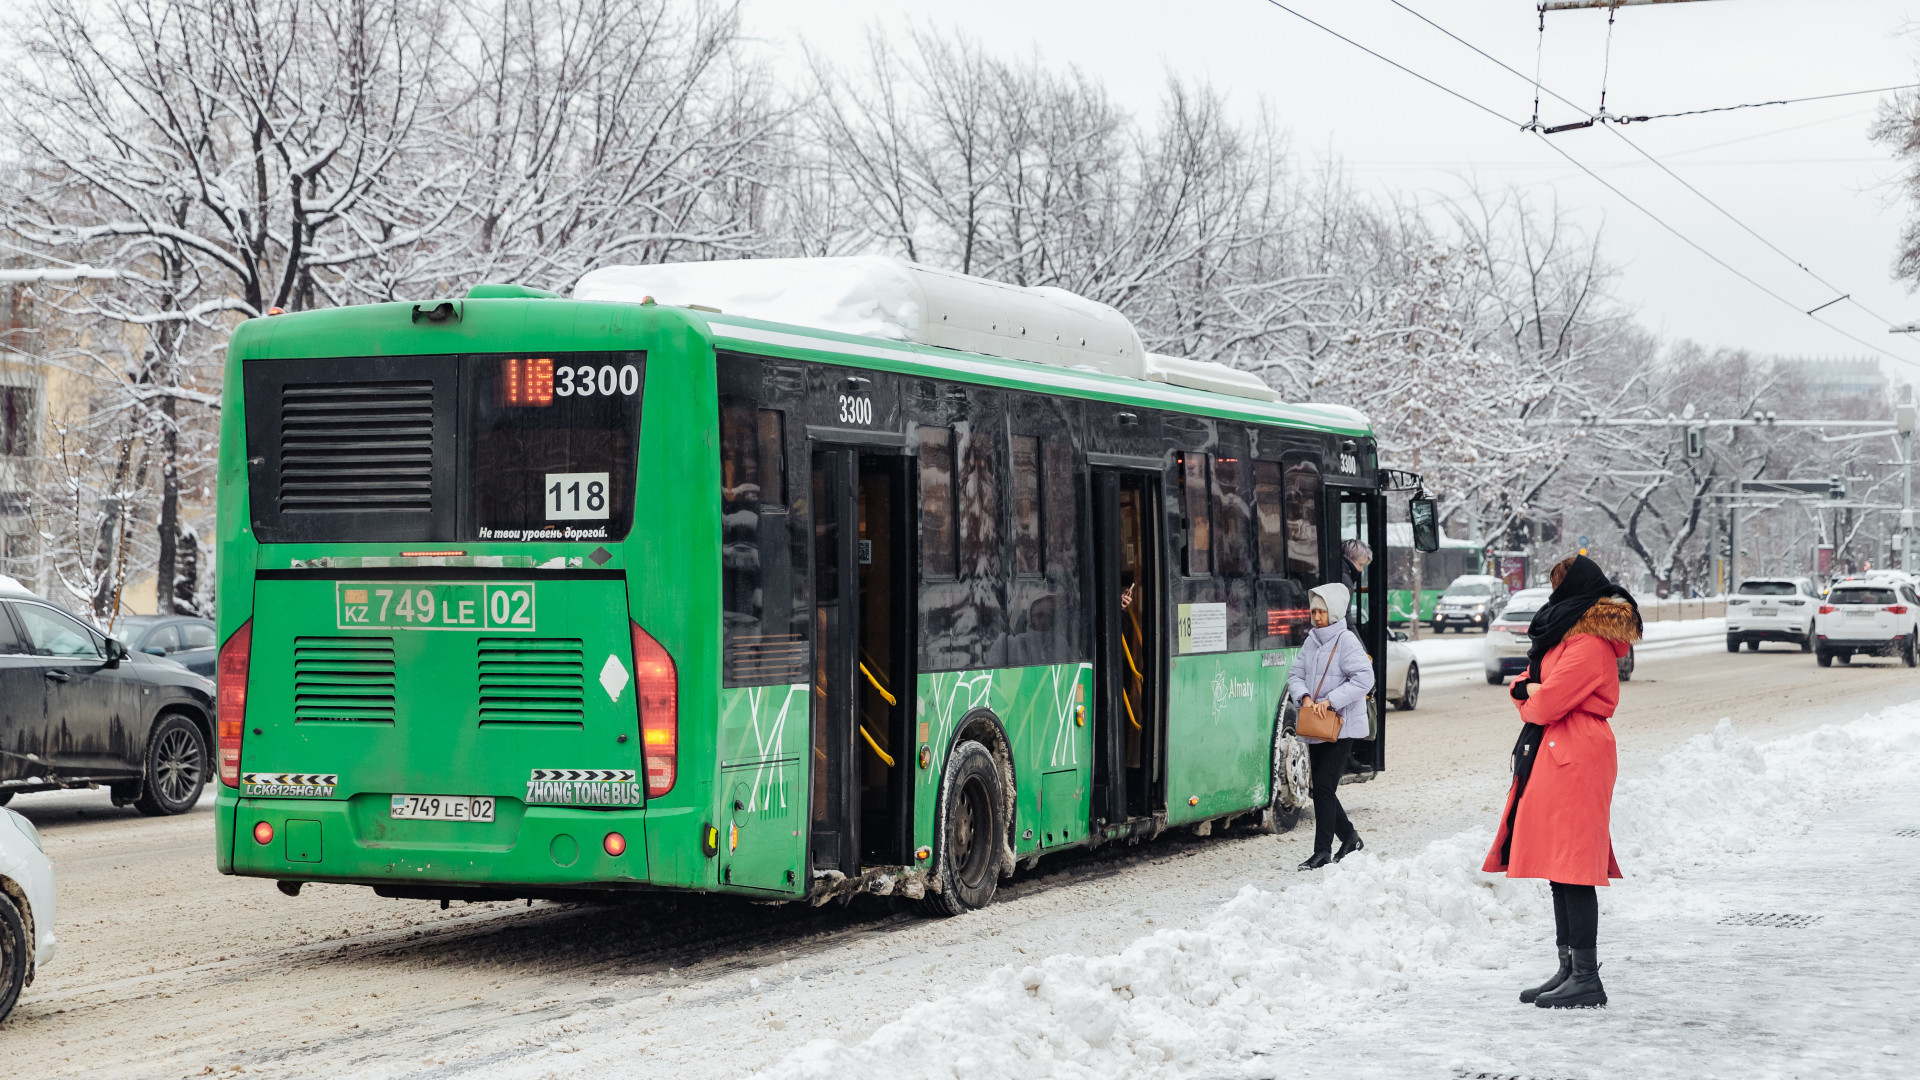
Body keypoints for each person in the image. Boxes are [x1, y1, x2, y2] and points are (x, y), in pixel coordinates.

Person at [1483, 554, 1641, 1010]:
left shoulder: (1589, 642)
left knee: (1574, 866)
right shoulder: (1569, 633)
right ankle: (1569, 967)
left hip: (1577, 750)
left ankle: (1587, 977)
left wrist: (1529, 693)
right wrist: (1530, 690)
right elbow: (1531, 683)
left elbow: (1542, 701)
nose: (1556, 594)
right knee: (1559, 865)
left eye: (1561, 585)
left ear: (1579, 589)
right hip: (1558, 749)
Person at [1286, 582, 1374, 871]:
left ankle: (1322, 851)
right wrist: (1305, 696)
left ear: (1334, 612)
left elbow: (1364, 679)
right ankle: (1349, 838)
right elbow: (1295, 674)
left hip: (1341, 725)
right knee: (1320, 789)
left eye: (1322, 611)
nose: (1317, 616)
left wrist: (1331, 701)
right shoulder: (1312, 640)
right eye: (1313, 611)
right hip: (1316, 725)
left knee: (1323, 786)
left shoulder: (1346, 641)